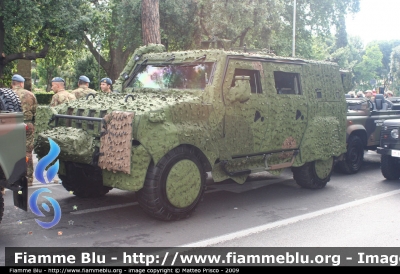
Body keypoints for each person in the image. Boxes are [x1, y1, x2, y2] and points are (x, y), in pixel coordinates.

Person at [11, 74, 37, 186]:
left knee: (10, 151)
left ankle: (11, 177)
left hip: (10, 125)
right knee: (27, 151)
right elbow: (35, 111)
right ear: (21, 83)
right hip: (27, 124)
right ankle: (29, 178)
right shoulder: (30, 95)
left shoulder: (7, 94)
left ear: (12, 83)